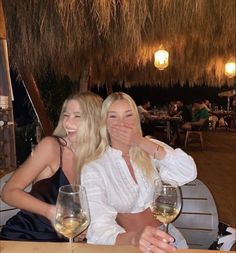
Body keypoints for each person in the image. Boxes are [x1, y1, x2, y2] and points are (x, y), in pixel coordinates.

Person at [81, 92, 197, 252]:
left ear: (136, 119)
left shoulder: (149, 147)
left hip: (168, 237)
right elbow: (98, 229)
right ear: (104, 123)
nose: (122, 123)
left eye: (128, 115)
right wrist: (135, 238)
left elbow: (188, 172)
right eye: (113, 116)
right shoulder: (95, 167)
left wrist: (140, 141)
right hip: (129, 245)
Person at [0, 91, 103, 241]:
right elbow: (8, 192)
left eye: (77, 116)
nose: (67, 123)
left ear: (95, 120)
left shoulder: (97, 158)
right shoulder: (51, 147)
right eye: (66, 116)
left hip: (63, 243)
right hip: (25, 237)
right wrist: (50, 212)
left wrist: (84, 229)